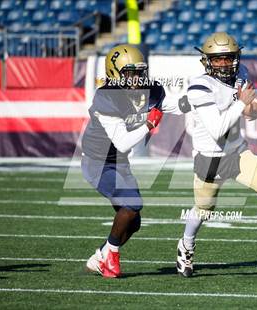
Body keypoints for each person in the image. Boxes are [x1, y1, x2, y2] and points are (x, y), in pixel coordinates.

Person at [176, 32, 257, 277]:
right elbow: (217, 128)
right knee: (204, 210)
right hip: (210, 157)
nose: (224, 64)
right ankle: (186, 244)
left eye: (228, 58)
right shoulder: (199, 86)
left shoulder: (242, 74)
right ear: (207, 61)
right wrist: (240, 104)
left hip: (238, 152)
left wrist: (252, 107)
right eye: (217, 59)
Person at [81, 44, 180, 278]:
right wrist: (149, 123)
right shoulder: (106, 96)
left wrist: (209, 101)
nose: (136, 79)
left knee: (133, 221)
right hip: (98, 162)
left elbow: (176, 105)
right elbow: (123, 142)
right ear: (115, 74)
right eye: (129, 73)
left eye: (139, 72)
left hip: (120, 162)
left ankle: (101, 256)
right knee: (131, 204)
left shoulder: (148, 91)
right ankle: (111, 258)